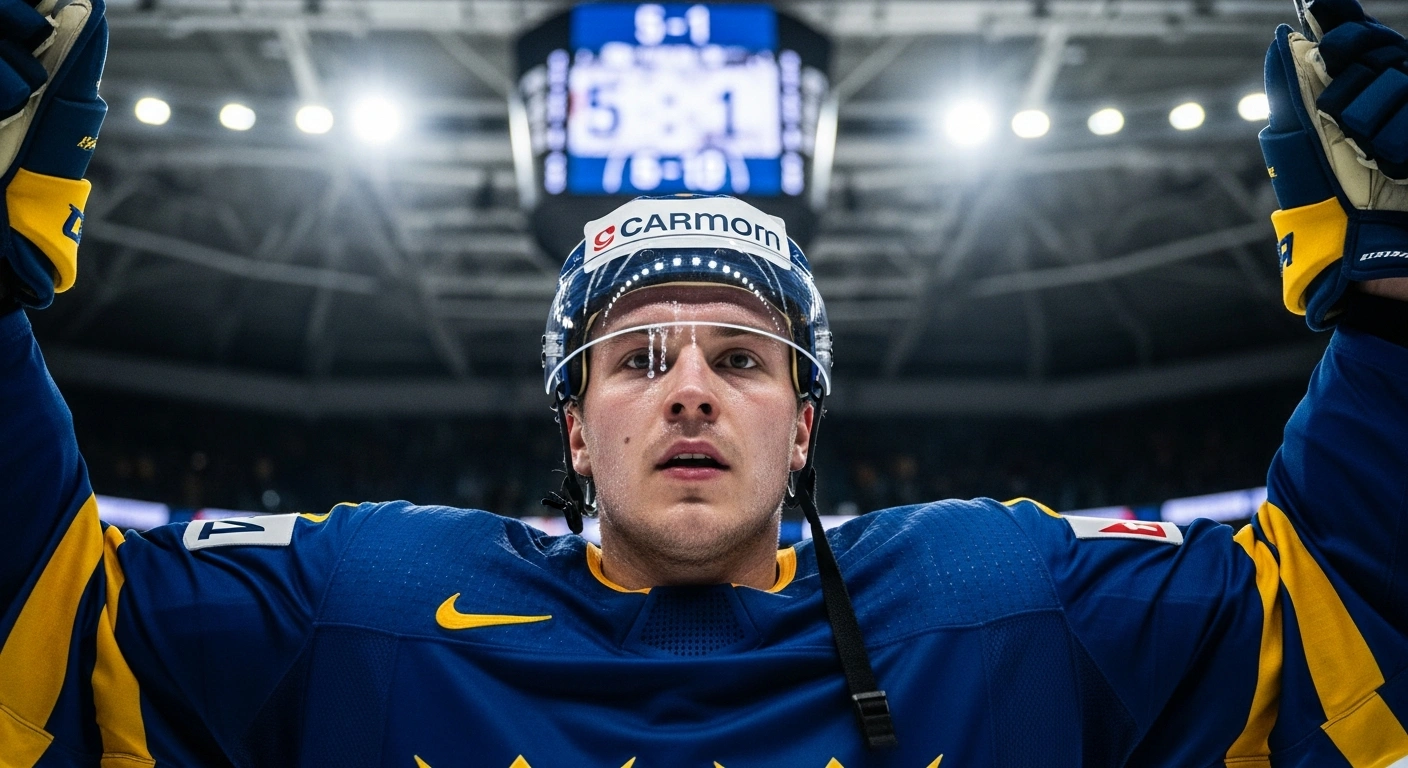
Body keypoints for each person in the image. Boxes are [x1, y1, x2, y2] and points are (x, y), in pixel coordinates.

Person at [5, 0, 1408, 765]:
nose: (688, 389)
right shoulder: (360, 608)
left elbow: (1338, 644)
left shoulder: (1008, 601)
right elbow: (44, 636)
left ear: (802, 428)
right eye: (637, 359)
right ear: (575, 424)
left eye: (740, 359)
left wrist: (1395, 313)